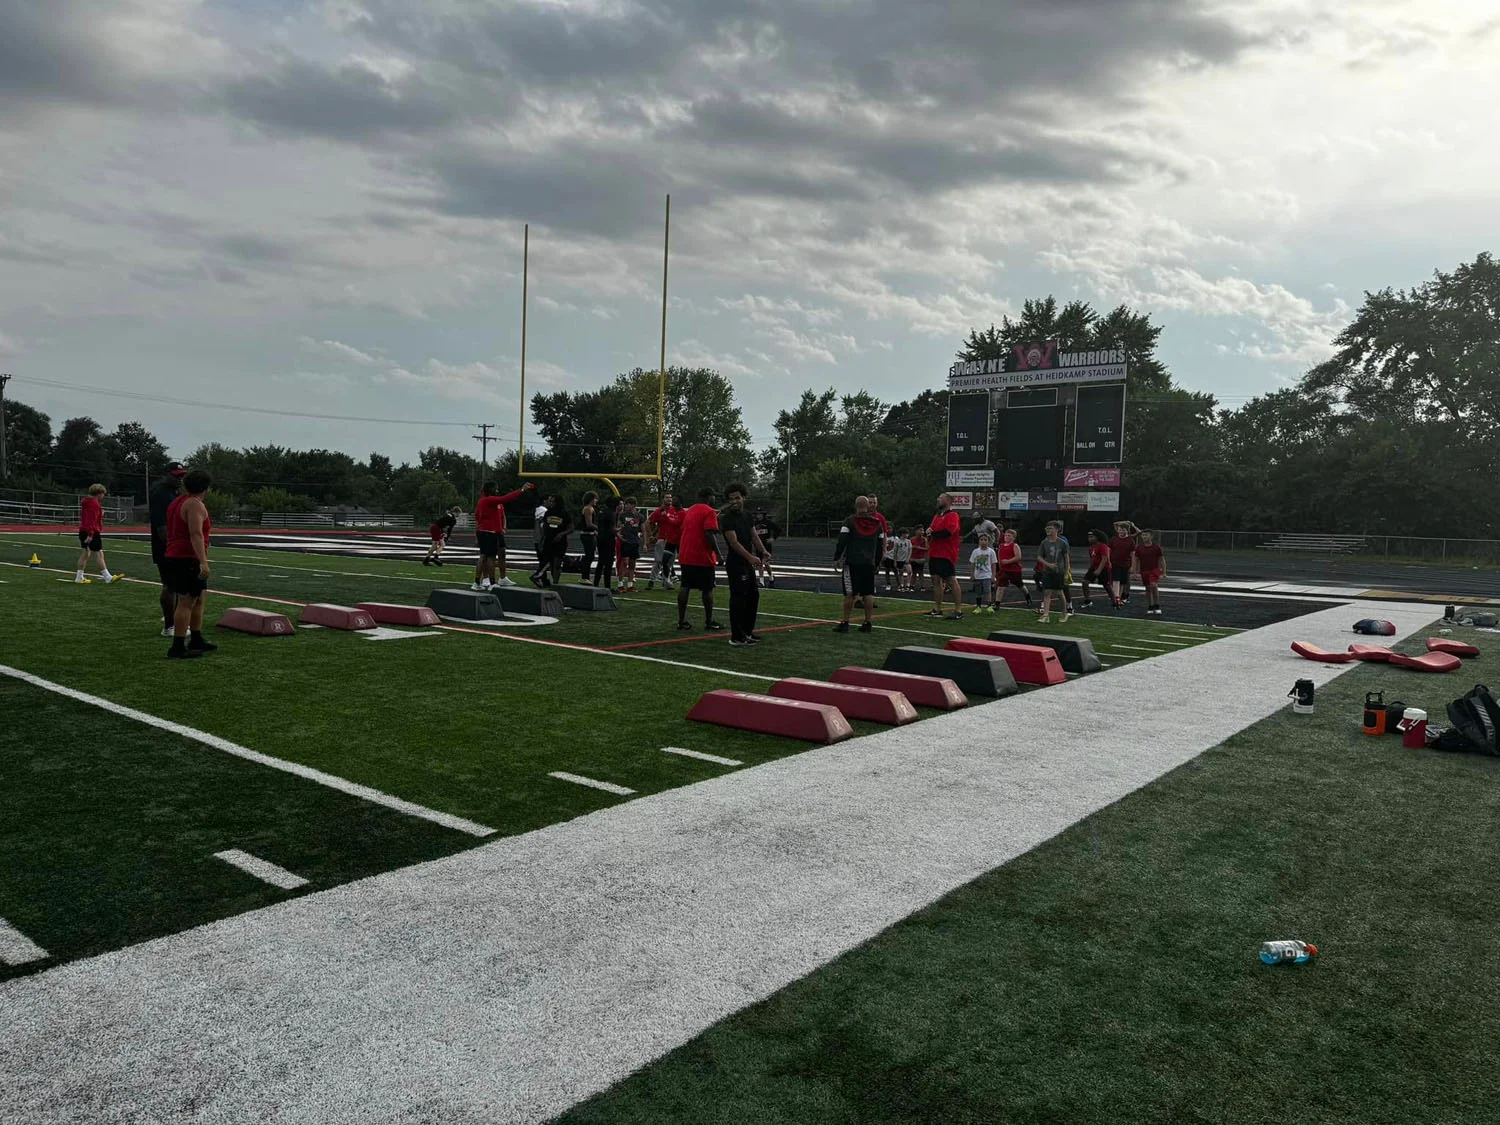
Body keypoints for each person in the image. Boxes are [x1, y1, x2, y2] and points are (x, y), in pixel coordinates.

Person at [162, 469, 217, 659]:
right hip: (186, 557)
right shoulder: (194, 504)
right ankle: (177, 646)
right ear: (205, 487)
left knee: (199, 597)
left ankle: (196, 638)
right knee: (186, 602)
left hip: (176, 555)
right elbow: (196, 534)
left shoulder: (177, 502)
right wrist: (203, 562)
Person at [719, 483, 765, 645]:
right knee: (739, 599)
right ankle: (737, 636)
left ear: (743, 497)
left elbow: (754, 536)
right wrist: (750, 557)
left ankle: (747, 631)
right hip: (736, 563)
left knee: (753, 596)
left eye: (737, 498)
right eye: (731, 499)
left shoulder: (747, 516)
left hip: (746, 563)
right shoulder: (727, 519)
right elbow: (734, 543)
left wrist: (763, 551)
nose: (735, 501)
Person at [832, 495, 883, 633]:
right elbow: (880, 546)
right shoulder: (877, 524)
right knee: (868, 593)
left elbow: (842, 541)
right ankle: (867, 622)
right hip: (869, 563)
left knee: (850, 593)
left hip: (852, 562)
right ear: (868, 506)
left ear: (856, 506)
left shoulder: (849, 521)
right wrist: (877, 562)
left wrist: (837, 557)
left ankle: (845, 622)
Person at [675, 487, 724, 631]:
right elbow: (709, 533)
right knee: (707, 589)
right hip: (702, 555)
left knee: (685, 586)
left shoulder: (690, 510)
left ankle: (681, 621)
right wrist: (719, 554)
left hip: (686, 553)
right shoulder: (709, 511)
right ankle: (709, 621)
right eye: (713, 496)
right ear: (709, 497)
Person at [471, 480, 534, 592]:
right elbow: (505, 498)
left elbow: (478, 515)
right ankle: (491, 582)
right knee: (490, 558)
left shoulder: (482, 501)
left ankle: (477, 582)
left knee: (483, 556)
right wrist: (522, 490)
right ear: (491, 490)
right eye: (495, 488)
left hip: (483, 531)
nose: (497, 490)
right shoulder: (489, 500)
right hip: (489, 532)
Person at [148, 462, 187, 634]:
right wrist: (171, 544)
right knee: (170, 585)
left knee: (176, 585)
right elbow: (161, 525)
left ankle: (172, 619)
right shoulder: (161, 493)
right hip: (166, 545)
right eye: (176, 476)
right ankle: (170, 626)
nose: (180, 479)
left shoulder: (172, 491)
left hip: (171, 543)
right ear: (168, 475)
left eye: (181, 476)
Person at [925, 492, 963, 619]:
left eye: (940, 498)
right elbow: (932, 531)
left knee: (951, 580)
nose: (938, 499)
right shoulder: (937, 516)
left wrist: (933, 534)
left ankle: (958, 610)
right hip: (934, 552)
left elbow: (948, 532)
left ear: (948, 500)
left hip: (946, 553)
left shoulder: (953, 515)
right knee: (935, 580)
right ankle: (937, 608)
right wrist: (929, 533)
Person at [75, 483, 121, 584]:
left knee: (85, 553)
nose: (103, 496)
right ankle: (107, 577)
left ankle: (79, 576)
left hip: (83, 530)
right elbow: (91, 520)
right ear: (99, 493)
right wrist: (91, 534)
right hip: (91, 531)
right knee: (99, 553)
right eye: (103, 494)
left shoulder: (87, 502)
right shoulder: (94, 504)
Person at [531, 495, 573, 587]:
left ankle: (555, 583)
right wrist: (542, 540)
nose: (551, 503)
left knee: (557, 562)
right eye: (550, 501)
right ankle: (540, 577)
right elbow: (545, 527)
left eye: (553, 501)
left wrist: (561, 534)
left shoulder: (564, 513)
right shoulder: (548, 513)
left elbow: (571, 528)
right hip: (549, 541)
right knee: (547, 561)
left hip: (560, 542)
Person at [1036, 522, 1072, 624]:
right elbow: (1039, 556)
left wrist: (1067, 570)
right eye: (1047, 528)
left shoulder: (1062, 543)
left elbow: (1066, 557)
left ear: (1056, 530)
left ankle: (1064, 612)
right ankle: (1046, 615)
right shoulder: (1044, 542)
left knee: (1059, 592)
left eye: (1050, 528)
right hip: (1047, 571)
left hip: (1059, 571)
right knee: (1047, 592)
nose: (1048, 530)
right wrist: (1047, 564)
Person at [647, 491, 684, 589]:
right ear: (663, 499)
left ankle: (666, 581)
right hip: (662, 538)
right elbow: (649, 522)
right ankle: (652, 580)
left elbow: (674, 523)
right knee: (659, 561)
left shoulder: (674, 510)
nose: (669, 499)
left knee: (669, 562)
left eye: (670, 497)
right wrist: (651, 535)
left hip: (673, 540)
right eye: (667, 497)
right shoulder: (659, 511)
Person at [1133, 530, 1167, 617]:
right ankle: (1150, 606)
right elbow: (1136, 560)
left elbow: (1161, 560)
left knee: (1153, 585)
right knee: (1148, 588)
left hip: (1154, 570)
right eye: (1143, 535)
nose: (1144, 537)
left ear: (1151, 537)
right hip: (1144, 571)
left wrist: (1164, 572)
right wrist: (1135, 572)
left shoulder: (1156, 547)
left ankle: (1157, 605)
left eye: (1146, 535)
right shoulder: (1139, 548)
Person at [995, 527, 1031, 608]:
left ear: (1013, 538)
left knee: (1020, 585)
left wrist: (1007, 561)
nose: (1006, 537)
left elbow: (1018, 557)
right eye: (1006, 535)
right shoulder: (1001, 546)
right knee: (1001, 586)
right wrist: (1000, 566)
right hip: (1004, 570)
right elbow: (999, 557)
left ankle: (1027, 597)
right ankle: (997, 603)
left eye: (1009, 536)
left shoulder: (1014, 545)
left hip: (1014, 570)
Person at [1108, 519, 1140, 608]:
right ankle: (1116, 598)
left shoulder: (1130, 539)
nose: (1121, 531)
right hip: (1115, 563)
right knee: (1116, 580)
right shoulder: (1114, 539)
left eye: (1123, 529)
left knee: (1122, 582)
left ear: (1127, 530)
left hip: (1125, 564)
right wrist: (1108, 561)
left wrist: (1133, 567)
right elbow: (1108, 550)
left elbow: (1133, 554)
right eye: (1120, 529)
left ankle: (1119, 598)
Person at [616, 497, 644, 593]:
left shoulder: (639, 516)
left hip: (635, 542)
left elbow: (643, 529)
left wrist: (644, 543)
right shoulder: (622, 515)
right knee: (624, 563)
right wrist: (619, 535)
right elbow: (618, 527)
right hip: (626, 541)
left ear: (633, 505)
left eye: (627, 504)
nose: (625, 506)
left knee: (632, 564)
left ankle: (630, 585)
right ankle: (620, 584)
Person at [1080, 529, 1110, 608]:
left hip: (1103, 568)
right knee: (1084, 582)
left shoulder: (1102, 546)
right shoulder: (1091, 548)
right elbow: (1092, 559)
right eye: (1089, 537)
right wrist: (1091, 568)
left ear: (1098, 537)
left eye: (1092, 537)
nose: (1089, 538)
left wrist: (1099, 569)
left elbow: (1104, 559)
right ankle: (1087, 601)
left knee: (1106, 585)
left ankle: (1114, 600)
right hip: (1093, 568)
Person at [594, 494, 619, 590]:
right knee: (608, 563)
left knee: (601, 561)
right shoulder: (611, 513)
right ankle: (607, 585)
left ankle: (596, 583)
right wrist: (619, 530)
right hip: (608, 539)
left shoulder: (601, 511)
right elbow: (612, 529)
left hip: (600, 538)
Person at [970, 533, 998, 613]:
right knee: (978, 592)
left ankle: (989, 606)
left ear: (988, 542)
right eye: (981, 540)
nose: (983, 541)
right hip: (978, 575)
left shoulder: (991, 552)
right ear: (979, 541)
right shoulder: (975, 551)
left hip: (987, 575)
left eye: (985, 540)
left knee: (987, 590)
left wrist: (993, 575)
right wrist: (972, 574)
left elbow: (993, 564)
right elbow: (972, 563)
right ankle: (978, 607)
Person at [752, 509, 779, 588]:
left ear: (763, 515)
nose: (758, 516)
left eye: (760, 514)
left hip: (766, 546)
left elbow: (778, 529)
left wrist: (773, 538)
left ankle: (771, 576)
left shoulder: (768, 523)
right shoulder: (754, 523)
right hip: (758, 546)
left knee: (766, 563)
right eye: (757, 514)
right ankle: (761, 581)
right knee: (760, 563)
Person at [577, 491, 599, 583]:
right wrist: (600, 528)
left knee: (590, 555)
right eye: (595, 498)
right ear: (590, 499)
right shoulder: (588, 509)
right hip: (587, 535)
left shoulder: (590, 508)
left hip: (590, 534)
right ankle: (584, 576)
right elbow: (589, 524)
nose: (596, 501)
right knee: (589, 555)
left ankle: (585, 576)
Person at [909, 528, 929, 592]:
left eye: (923, 530)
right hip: (913, 558)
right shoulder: (912, 539)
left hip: (921, 558)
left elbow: (927, 548)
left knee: (921, 572)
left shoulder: (924, 539)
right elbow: (909, 548)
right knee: (914, 572)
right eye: (920, 530)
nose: (922, 532)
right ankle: (912, 585)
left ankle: (922, 586)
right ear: (916, 531)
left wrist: (918, 547)